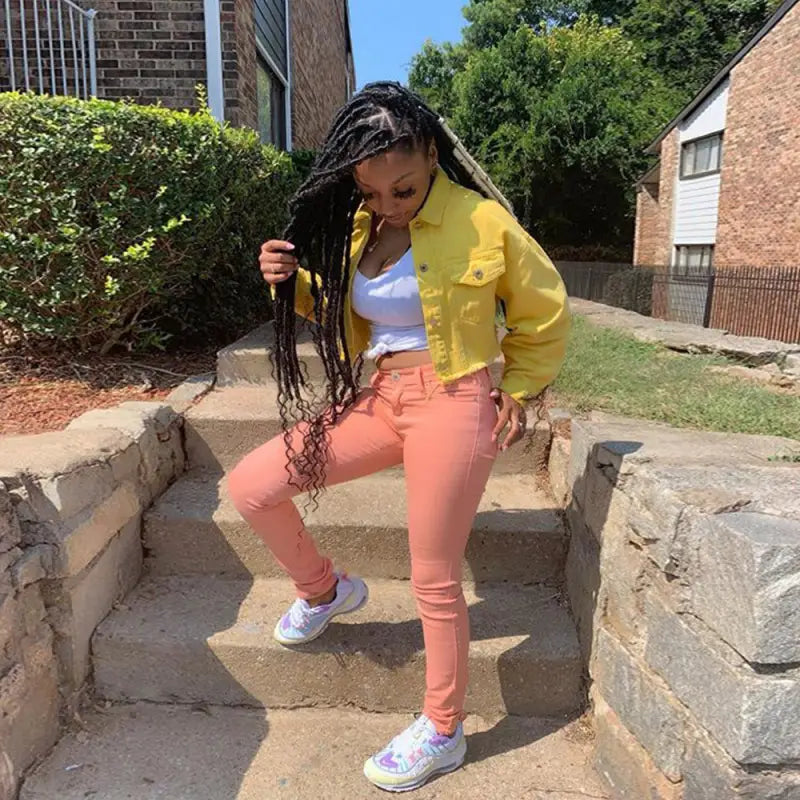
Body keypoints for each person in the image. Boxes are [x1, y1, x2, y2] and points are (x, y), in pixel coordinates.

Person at [227, 81, 570, 793]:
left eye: (403, 190)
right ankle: (325, 591)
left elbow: (544, 310)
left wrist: (521, 386)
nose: (388, 205)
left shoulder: (481, 222)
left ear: (434, 157)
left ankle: (443, 729)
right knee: (252, 484)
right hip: (381, 399)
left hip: (455, 401)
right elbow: (349, 310)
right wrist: (288, 283)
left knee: (433, 577)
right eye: (373, 192)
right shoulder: (361, 227)